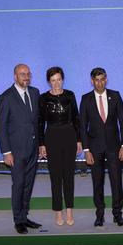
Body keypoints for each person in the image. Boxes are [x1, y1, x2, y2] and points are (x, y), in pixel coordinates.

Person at [79, 67, 123, 227]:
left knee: (116, 182)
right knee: (97, 182)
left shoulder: (115, 96)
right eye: (96, 80)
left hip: (114, 147)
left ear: (106, 79)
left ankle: (117, 214)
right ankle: (99, 215)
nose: (100, 83)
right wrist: (86, 150)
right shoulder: (85, 99)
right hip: (94, 148)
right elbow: (82, 127)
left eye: (102, 79)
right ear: (92, 81)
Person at [0, 64, 42, 234]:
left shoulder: (35, 93)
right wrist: (6, 152)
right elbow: (1, 127)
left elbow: (37, 121)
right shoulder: (6, 97)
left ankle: (25, 216)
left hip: (33, 149)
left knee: (28, 184)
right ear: (15, 76)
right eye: (22, 74)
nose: (26, 77)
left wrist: (41, 145)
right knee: (19, 184)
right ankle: (18, 220)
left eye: (28, 74)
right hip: (15, 152)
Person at [38, 67, 82, 226]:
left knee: (69, 176)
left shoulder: (70, 95)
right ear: (49, 81)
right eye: (53, 80)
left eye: (59, 79)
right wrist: (41, 143)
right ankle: (58, 212)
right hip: (52, 137)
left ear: (63, 79)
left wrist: (79, 140)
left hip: (69, 135)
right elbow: (40, 122)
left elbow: (76, 118)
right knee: (55, 177)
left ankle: (69, 210)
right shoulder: (43, 98)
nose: (56, 83)